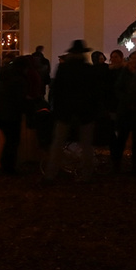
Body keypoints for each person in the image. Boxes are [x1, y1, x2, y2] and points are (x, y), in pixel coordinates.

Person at [42, 40, 102, 182]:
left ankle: (51, 174)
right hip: (85, 112)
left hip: (65, 111)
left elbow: (57, 91)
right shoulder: (88, 69)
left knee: (58, 144)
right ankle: (87, 174)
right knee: (86, 145)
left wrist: (56, 110)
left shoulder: (64, 68)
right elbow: (95, 92)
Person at [0, 56, 28, 175]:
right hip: (12, 114)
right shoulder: (18, 79)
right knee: (13, 141)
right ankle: (9, 167)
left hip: (2, 112)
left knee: (9, 141)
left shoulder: (5, 76)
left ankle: (6, 165)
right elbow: (19, 98)